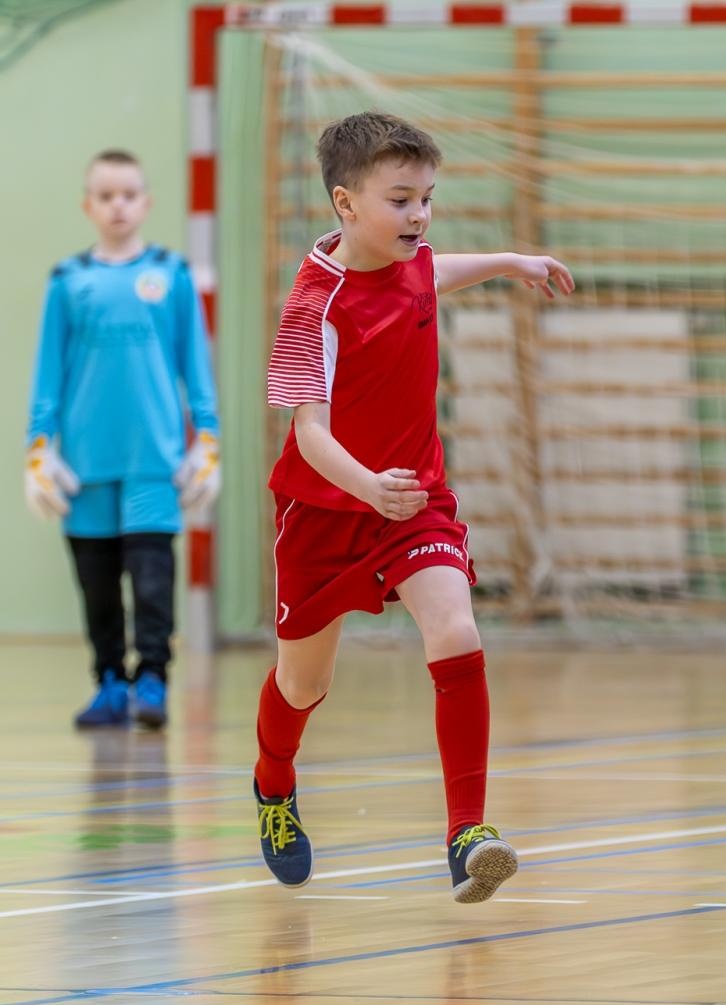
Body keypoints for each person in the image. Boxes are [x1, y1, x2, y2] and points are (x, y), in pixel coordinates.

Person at [254, 112, 573, 904]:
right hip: (326, 512)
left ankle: (468, 834)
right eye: (401, 200)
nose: (419, 217)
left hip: (412, 502)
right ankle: (273, 783)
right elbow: (309, 433)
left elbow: (432, 271)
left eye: (426, 198)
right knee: (302, 686)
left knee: (456, 628)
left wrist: (509, 262)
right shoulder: (311, 309)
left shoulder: (413, 260)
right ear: (345, 204)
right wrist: (364, 486)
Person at [25, 148, 221, 731]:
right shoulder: (68, 281)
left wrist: (206, 440)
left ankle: (153, 679)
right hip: (84, 468)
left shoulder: (173, 274)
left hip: (155, 464)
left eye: (128, 194)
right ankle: (109, 681)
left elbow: (196, 369)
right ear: (89, 205)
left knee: (154, 580)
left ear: (146, 202)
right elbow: (47, 374)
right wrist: (40, 447)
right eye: (106, 195)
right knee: (97, 585)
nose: (118, 205)